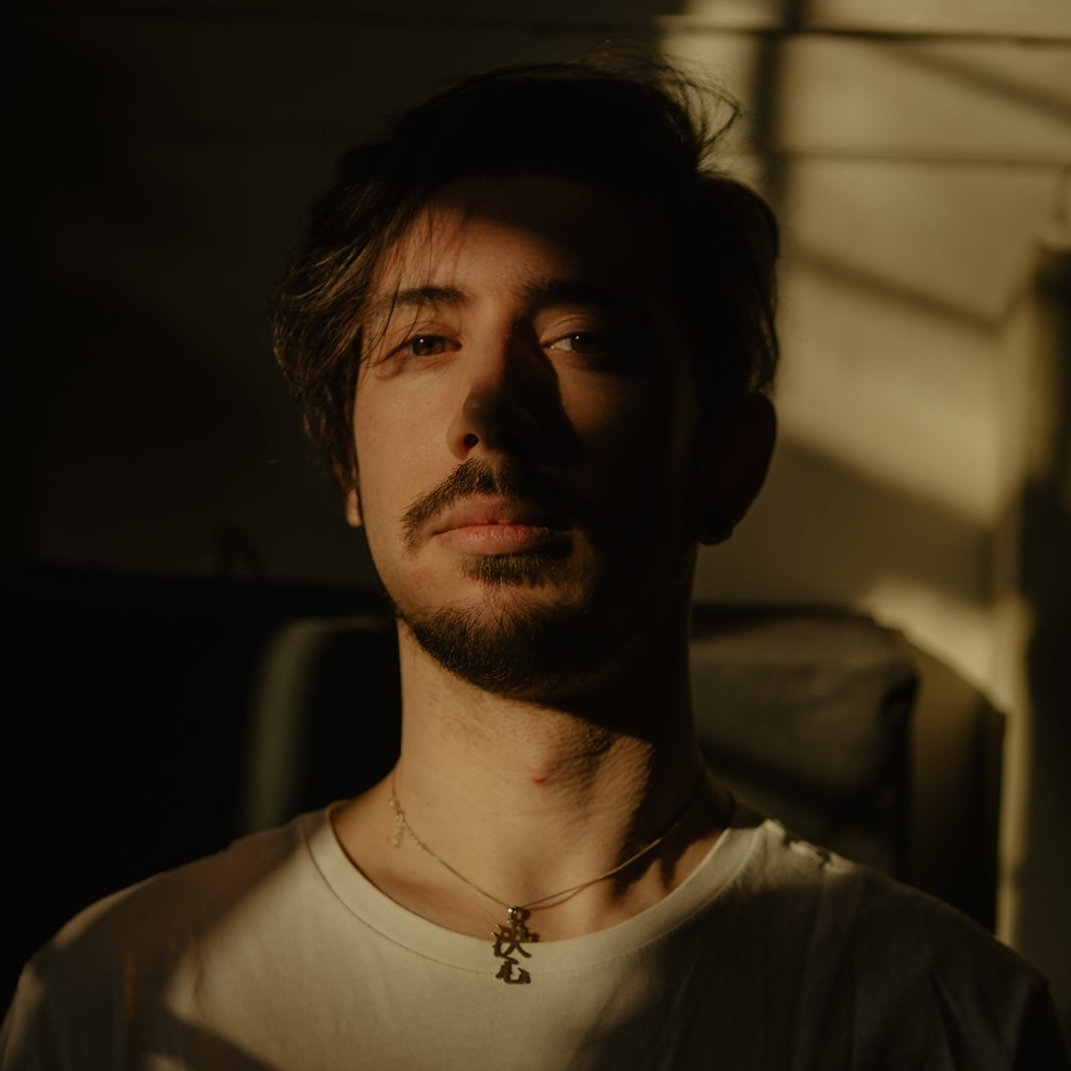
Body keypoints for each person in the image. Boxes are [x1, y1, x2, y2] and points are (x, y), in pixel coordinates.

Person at [2, 57, 1067, 1070]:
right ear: (348, 467)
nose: (488, 410)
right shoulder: (119, 996)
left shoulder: (945, 1020)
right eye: (424, 342)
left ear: (727, 464)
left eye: (580, 338)